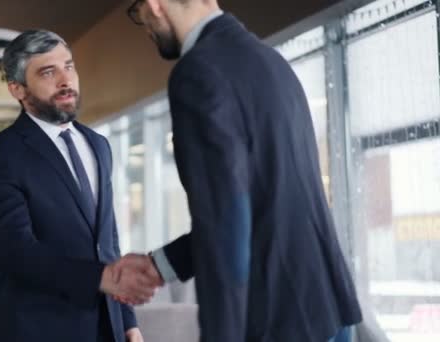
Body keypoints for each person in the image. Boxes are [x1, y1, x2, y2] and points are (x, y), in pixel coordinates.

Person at [116, 0, 364, 341]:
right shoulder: (271, 61)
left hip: (279, 321)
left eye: (137, 10)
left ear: (155, 4)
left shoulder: (198, 71)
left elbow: (225, 224)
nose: (142, 23)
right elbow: (259, 205)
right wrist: (160, 265)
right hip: (328, 309)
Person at [0, 29, 155, 342]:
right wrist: (102, 278)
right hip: (39, 330)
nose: (65, 80)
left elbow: (106, 240)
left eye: (69, 67)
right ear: (17, 89)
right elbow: (17, 254)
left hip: (106, 328)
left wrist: (127, 320)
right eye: (48, 72)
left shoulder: (99, 145)